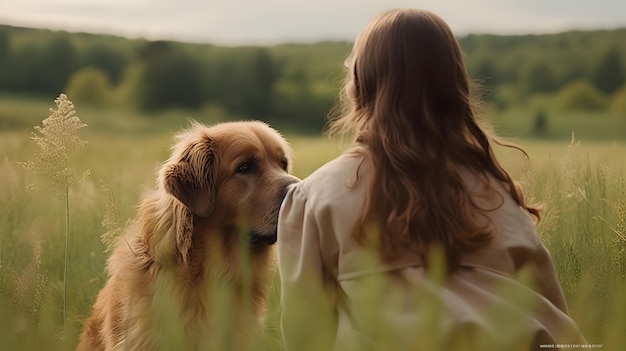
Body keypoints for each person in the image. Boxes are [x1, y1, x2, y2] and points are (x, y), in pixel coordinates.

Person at [277, 8, 586, 351]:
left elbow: (305, 335)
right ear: (454, 88)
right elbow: (555, 314)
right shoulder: (497, 193)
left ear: (358, 88)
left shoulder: (315, 196)